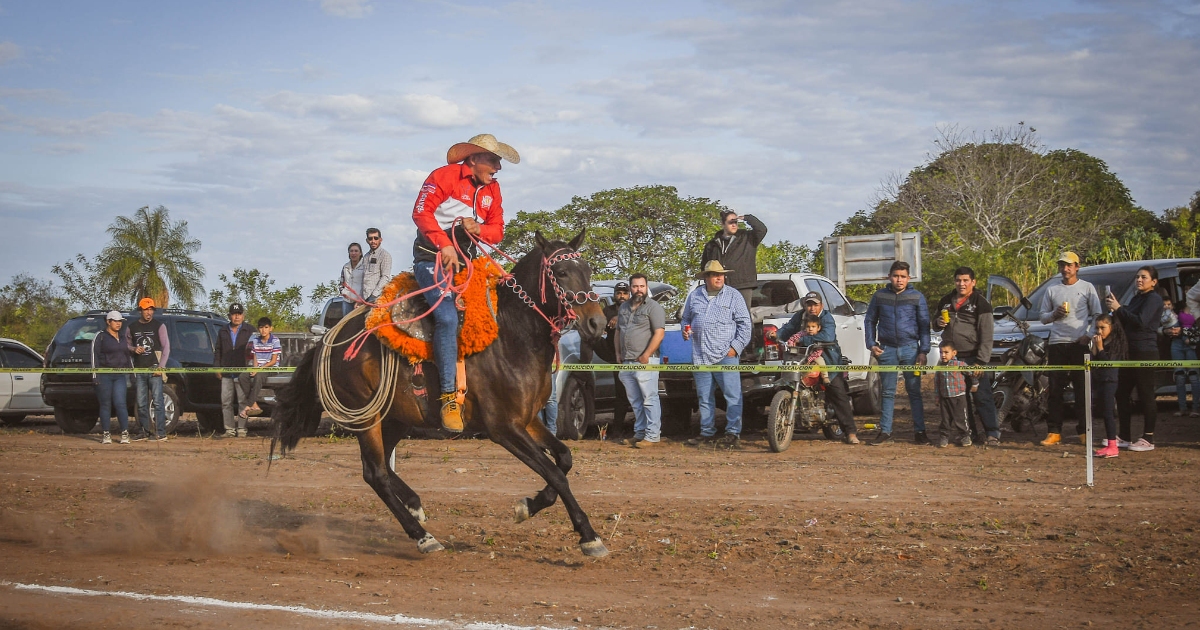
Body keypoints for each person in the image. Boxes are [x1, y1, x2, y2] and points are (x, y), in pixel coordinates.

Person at [411, 134, 516, 433]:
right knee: (446, 318)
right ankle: (448, 398)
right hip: (432, 261)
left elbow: (498, 230)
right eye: (494, 160)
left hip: (468, 266)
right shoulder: (443, 177)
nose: (498, 167)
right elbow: (421, 212)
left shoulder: (493, 190)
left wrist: (479, 228)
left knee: (501, 313)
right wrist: (444, 244)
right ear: (474, 159)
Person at [681, 261, 751, 448]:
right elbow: (686, 318)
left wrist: (735, 347)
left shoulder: (733, 295)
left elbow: (745, 324)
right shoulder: (695, 295)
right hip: (700, 354)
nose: (719, 277)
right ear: (706, 277)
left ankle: (733, 434)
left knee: (732, 396)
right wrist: (685, 330)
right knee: (704, 396)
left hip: (725, 354)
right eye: (714, 274)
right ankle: (707, 433)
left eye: (721, 274)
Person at [774, 291, 859, 444]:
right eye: (809, 304)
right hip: (803, 359)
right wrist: (776, 335)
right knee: (782, 382)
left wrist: (802, 340)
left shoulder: (827, 318)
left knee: (837, 392)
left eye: (815, 304)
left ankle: (850, 432)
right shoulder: (800, 316)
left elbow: (827, 337)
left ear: (821, 305)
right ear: (805, 305)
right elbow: (787, 329)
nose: (812, 308)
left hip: (827, 360)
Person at [1038, 252, 1103, 447]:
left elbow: (1098, 314)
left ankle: (1084, 431)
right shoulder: (1052, 290)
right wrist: (1053, 314)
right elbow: (1042, 317)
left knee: (1082, 389)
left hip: (1079, 343)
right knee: (1055, 390)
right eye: (1062, 265)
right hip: (1057, 342)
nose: (1065, 269)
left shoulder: (1087, 288)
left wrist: (1089, 334)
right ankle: (1054, 431)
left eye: (1069, 265)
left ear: (1077, 267)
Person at [931, 266, 1001, 446]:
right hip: (951, 360)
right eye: (958, 280)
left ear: (973, 282)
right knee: (959, 399)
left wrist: (981, 361)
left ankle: (992, 433)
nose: (961, 284)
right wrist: (938, 323)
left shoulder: (981, 303)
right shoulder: (946, 300)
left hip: (973, 358)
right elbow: (935, 324)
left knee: (981, 396)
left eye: (965, 280)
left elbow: (987, 335)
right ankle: (968, 434)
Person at [864, 261, 930, 446]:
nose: (899, 280)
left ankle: (920, 432)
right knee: (887, 392)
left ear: (909, 278)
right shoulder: (879, 296)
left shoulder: (917, 296)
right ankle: (885, 432)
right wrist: (871, 344)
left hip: (911, 349)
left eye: (902, 276)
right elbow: (869, 320)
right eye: (895, 276)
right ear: (889, 277)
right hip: (887, 349)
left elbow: (925, 325)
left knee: (914, 392)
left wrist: (923, 351)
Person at [1107, 265, 1165, 452]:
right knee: (1122, 393)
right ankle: (1124, 435)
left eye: (1144, 277)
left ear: (1154, 282)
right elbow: (1127, 319)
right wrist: (1115, 311)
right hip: (1128, 352)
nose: (1139, 280)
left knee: (1145, 394)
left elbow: (1141, 321)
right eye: (1138, 277)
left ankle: (1148, 437)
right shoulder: (1136, 298)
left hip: (1145, 352)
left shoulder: (1154, 299)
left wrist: (1120, 308)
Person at [615, 274, 666, 448]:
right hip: (627, 361)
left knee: (649, 399)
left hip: (646, 361)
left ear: (646, 287)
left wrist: (646, 354)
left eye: (642, 286)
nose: (638, 289)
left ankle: (652, 436)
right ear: (630, 288)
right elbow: (617, 332)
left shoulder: (654, 307)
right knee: (635, 401)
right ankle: (640, 433)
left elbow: (659, 334)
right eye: (635, 286)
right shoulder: (623, 308)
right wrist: (617, 353)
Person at [701, 210, 767, 311]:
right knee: (722, 315)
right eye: (730, 222)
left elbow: (762, 230)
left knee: (742, 316)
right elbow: (705, 267)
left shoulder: (747, 238)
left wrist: (747, 218)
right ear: (723, 224)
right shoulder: (712, 244)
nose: (734, 225)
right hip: (721, 287)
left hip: (743, 285)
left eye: (735, 222)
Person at [128, 297, 170, 442]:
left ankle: (160, 432)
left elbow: (166, 348)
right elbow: (126, 345)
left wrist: (161, 367)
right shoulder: (132, 327)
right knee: (141, 402)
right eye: (146, 309)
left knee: (158, 401)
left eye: (151, 309)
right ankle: (144, 431)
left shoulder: (159, 326)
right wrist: (134, 349)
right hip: (139, 369)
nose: (149, 312)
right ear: (140, 310)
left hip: (154, 368)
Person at [91, 310, 134, 444]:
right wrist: (95, 376)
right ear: (108, 322)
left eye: (120, 321)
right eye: (115, 321)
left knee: (120, 403)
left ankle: (125, 433)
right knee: (105, 404)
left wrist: (132, 373)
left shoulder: (122, 337)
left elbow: (127, 356)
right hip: (104, 375)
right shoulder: (100, 336)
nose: (118, 324)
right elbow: (94, 356)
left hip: (120, 375)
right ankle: (106, 434)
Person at [214, 302, 255, 438]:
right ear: (229, 316)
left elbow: (257, 350)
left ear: (243, 315)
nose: (236, 317)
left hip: (242, 372)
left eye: (239, 314)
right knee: (226, 402)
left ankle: (242, 429)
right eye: (234, 314)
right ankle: (229, 430)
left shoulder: (250, 330)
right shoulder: (223, 330)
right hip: (226, 372)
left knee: (243, 402)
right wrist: (217, 368)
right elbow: (218, 350)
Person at [1092, 314, 1128, 458]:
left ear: (1111, 327)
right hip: (1100, 379)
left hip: (1110, 380)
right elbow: (1095, 360)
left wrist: (1100, 348)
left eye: (1103, 328)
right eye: (1097, 328)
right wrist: (1096, 348)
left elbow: (1107, 364)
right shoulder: (1103, 342)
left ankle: (1113, 445)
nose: (1099, 331)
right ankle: (1110, 444)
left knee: (1108, 412)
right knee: (1104, 412)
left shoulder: (1116, 344)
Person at [238, 317, 281, 433]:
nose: (263, 330)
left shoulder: (275, 341)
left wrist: (259, 369)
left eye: (266, 327)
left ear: (270, 328)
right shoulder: (256, 341)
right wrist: (255, 368)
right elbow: (255, 357)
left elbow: (273, 361)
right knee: (242, 377)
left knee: (258, 377)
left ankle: (247, 406)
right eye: (261, 327)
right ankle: (254, 404)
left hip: (271, 368)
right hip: (259, 368)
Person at [1164, 296, 1200, 418]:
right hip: (1177, 343)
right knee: (1179, 377)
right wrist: (1166, 331)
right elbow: (1163, 326)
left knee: (1194, 377)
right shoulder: (1177, 307)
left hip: (1191, 344)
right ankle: (1182, 408)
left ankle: (1196, 408)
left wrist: (1186, 333)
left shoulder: (1196, 307)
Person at [934, 340, 972, 448]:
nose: (943, 355)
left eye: (946, 352)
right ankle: (944, 437)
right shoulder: (939, 365)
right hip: (944, 397)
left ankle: (965, 436)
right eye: (941, 352)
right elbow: (937, 381)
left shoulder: (960, 364)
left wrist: (975, 384)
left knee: (961, 418)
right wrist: (937, 396)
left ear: (954, 353)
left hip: (958, 396)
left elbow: (972, 373)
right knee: (945, 419)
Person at [604, 281, 632, 426]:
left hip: (634, 356)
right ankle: (618, 428)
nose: (622, 296)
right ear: (614, 295)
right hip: (615, 358)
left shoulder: (634, 308)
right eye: (619, 293)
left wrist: (619, 318)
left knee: (639, 393)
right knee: (620, 392)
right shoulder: (607, 310)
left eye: (625, 293)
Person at [361, 228, 393, 304]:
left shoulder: (385, 255)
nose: (373, 241)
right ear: (367, 240)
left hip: (377, 298)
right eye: (370, 238)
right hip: (364, 298)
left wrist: (374, 296)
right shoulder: (365, 257)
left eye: (376, 238)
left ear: (380, 239)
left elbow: (385, 277)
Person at [340, 241, 366, 305]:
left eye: (356, 251)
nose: (353, 253)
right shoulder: (345, 267)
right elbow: (341, 283)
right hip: (347, 300)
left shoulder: (365, 266)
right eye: (351, 251)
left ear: (360, 253)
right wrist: (343, 292)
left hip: (360, 300)